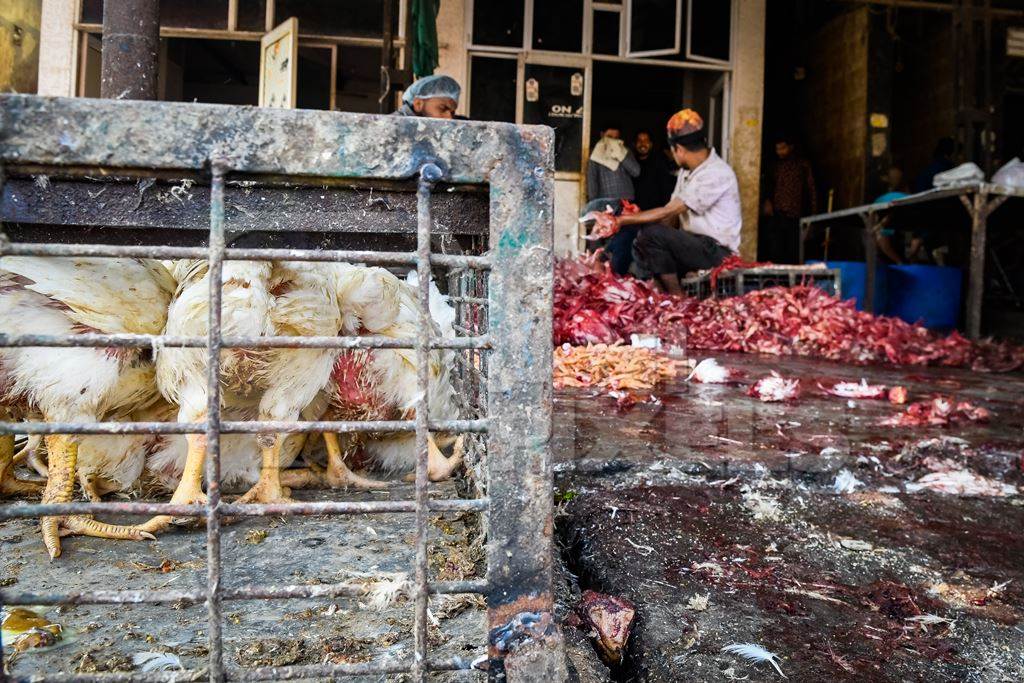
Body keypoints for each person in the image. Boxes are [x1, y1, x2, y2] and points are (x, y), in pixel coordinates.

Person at [592, 109, 741, 295]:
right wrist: (634, 224)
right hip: (694, 246)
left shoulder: (716, 173)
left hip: (718, 253)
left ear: (678, 149)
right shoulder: (687, 172)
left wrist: (621, 220)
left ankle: (677, 302)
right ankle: (665, 300)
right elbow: (669, 220)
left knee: (652, 235)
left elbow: (668, 211)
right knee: (642, 240)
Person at [761, 132, 816, 263]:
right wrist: (767, 201)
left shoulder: (802, 165)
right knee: (776, 250)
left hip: (796, 216)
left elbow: (811, 190)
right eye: (777, 149)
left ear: (791, 147)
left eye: (783, 148)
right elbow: (766, 185)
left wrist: (813, 216)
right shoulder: (774, 166)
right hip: (777, 215)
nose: (780, 152)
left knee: (793, 251)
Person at [586, 125, 640, 203]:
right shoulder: (595, 153)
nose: (612, 141)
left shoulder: (625, 151)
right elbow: (592, 180)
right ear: (602, 135)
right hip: (606, 202)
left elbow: (636, 172)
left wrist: (621, 156)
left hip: (627, 201)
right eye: (609, 137)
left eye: (615, 138)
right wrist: (594, 204)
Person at [633, 130, 676, 210]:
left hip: (656, 213)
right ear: (634, 144)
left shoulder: (659, 162)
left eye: (646, 140)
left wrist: (667, 211)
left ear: (651, 144)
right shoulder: (631, 164)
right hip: (635, 213)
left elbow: (666, 188)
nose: (643, 144)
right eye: (639, 141)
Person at [393, 74, 460, 119]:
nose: (449, 117)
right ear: (418, 104)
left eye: (452, 112)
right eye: (442, 108)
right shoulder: (392, 128)